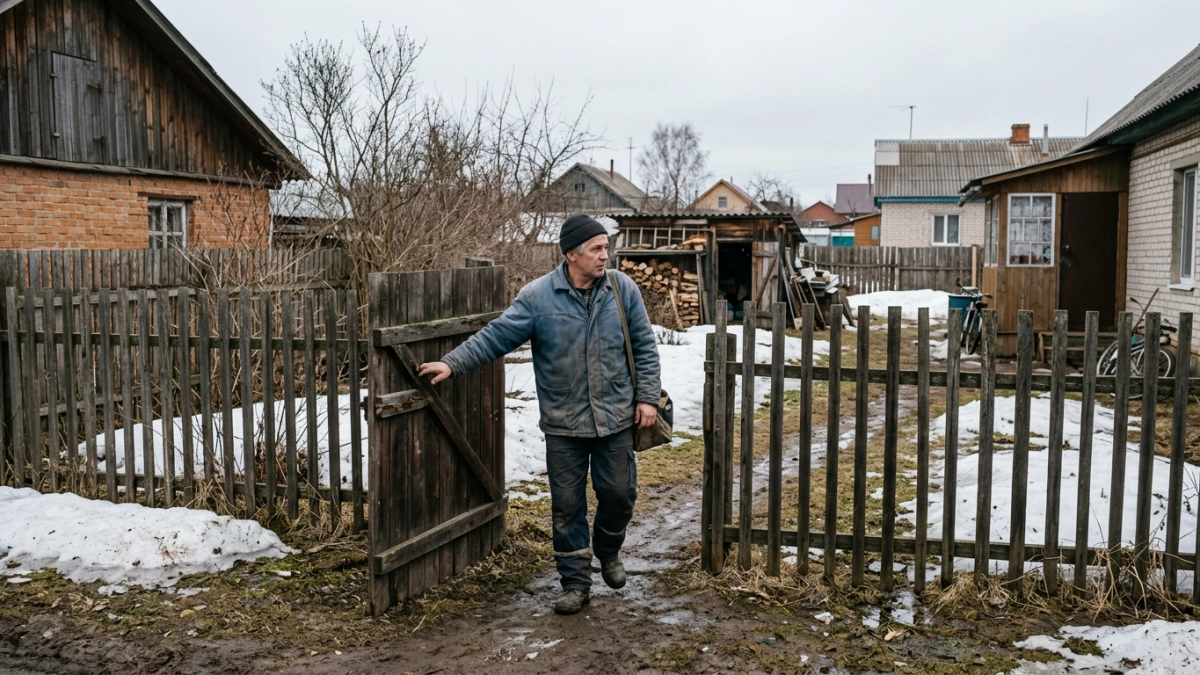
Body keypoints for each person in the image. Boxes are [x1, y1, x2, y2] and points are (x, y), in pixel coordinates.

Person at [417, 213, 661, 615]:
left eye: (606, 248)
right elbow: (496, 336)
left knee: (619, 494)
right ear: (572, 254)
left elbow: (644, 345)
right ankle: (575, 582)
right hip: (564, 422)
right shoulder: (538, 297)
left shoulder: (622, 289)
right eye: (597, 249)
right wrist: (452, 363)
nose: (605, 256)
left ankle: (608, 550)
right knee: (567, 506)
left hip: (616, 416)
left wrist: (647, 398)